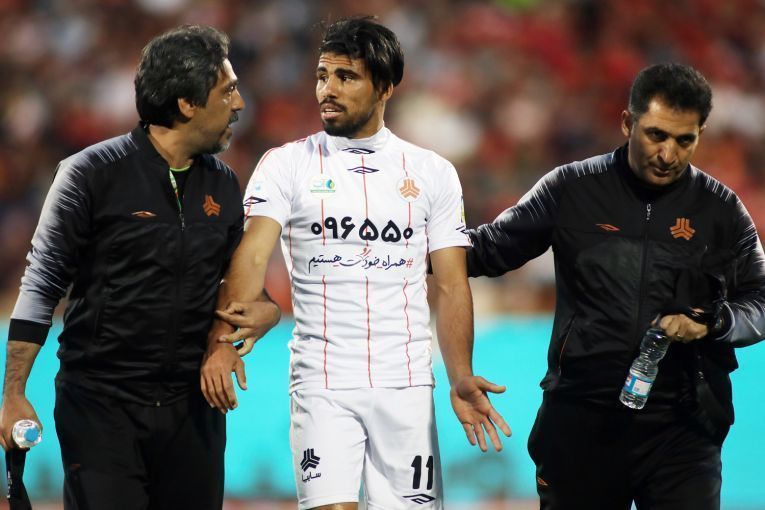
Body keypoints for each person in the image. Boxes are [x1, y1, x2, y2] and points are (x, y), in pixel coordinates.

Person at [202, 16, 510, 510]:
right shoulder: (286, 165)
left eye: (346, 77)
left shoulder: (433, 173)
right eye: (323, 75)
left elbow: (452, 285)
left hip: (406, 385)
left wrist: (460, 375)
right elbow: (252, 255)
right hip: (321, 380)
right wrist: (223, 343)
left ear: (385, 87)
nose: (328, 89)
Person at [0, 25, 279, 509]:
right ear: (186, 104)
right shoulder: (89, 174)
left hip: (193, 409)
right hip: (101, 407)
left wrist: (266, 312)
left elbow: (240, 285)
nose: (239, 104)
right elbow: (41, 286)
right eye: (227, 91)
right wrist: (13, 393)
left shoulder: (224, 184)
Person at [466, 62, 765, 509]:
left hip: (683, 429)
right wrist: (402, 246)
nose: (668, 154)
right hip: (580, 423)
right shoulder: (570, 188)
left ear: (701, 134)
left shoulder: (722, 210)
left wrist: (713, 323)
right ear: (628, 123)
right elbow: (487, 249)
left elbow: (760, 302)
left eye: (685, 140)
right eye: (656, 135)